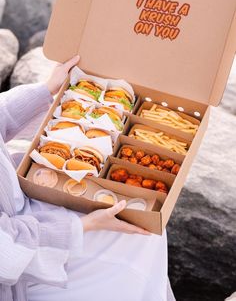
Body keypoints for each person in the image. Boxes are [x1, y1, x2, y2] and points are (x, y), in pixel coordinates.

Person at [0, 55, 175, 301]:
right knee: (136, 236)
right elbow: (5, 253)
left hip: (24, 203)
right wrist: (87, 225)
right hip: (24, 254)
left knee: (145, 221)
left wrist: (46, 89)